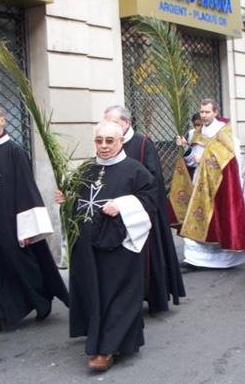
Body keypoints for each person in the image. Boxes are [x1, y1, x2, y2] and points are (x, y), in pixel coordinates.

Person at [56, 121, 156, 372]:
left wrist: (122, 204)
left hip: (118, 247)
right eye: (99, 140)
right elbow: (77, 201)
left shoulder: (136, 171)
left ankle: (106, 349)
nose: (103, 146)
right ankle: (98, 334)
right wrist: (65, 199)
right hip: (88, 246)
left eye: (109, 141)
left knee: (116, 295)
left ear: (121, 140)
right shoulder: (86, 169)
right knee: (95, 292)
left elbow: (150, 201)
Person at [0, 104, 69, 333]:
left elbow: (26, 189)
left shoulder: (14, 151)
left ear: (2, 121)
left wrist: (27, 229)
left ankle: (41, 299)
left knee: (22, 265)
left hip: (11, 222)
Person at [103, 105, 185, 313]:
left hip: (141, 212)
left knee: (147, 257)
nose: (108, 128)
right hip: (114, 215)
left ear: (126, 123)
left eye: (112, 122)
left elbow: (153, 180)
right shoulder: (107, 145)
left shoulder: (142, 144)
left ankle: (152, 296)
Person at [175, 99, 245, 271]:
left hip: (219, 186)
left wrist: (206, 159)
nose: (204, 115)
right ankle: (194, 259)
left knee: (217, 220)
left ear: (216, 112)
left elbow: (231, 161)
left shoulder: (224, 133)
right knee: (195, 218)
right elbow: (191, 161)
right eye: (202, 112)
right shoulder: (195, 133)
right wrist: (186, 149)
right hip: (198, 184)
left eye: (207, 112)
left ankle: (223, 260)